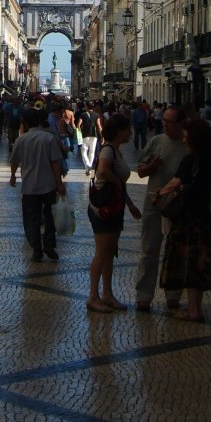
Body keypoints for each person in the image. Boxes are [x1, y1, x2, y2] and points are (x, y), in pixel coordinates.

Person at [156, 118, 211, 322]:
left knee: (188, 264)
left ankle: (192, 310)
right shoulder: (207, 160)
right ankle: (195, 308)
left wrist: (159, 194)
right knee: (198, 264)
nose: (183, 138)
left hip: (186, 218)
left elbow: (176, 182)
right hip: (203, 217)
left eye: (186, 135)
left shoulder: (190, 160)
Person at [134, 106, 188, 312]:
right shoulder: (156, 142)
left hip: (179, 206)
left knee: (176, 251)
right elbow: (140, 171)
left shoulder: (188, 146)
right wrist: (152, 166)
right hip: (154, 203)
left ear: (181, 123)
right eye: (163, 120)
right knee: (149, 250)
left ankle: (173, 294)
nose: (164, 124)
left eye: (169, 121)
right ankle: (143, 295)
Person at [86, 114, 141, 313]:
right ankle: (93, 296)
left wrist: (131, 204)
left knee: (110, 252)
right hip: (104, 209)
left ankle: (107, 294)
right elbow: (103, 171)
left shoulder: (116, 150)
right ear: (119, 131)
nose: (131, 133)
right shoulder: (108, 150)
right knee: (102, 252)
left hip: (114, 206)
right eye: (128, 129)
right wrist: (118, 184)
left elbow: (118, 182)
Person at [9, 106, 66, 261]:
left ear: (25, 123)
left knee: (31, 218)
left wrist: (13, 175)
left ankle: (36, 248)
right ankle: (49, 245)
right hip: (48, 185)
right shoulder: (48, 139)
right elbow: (56, 162)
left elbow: (14, 160)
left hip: (29, 186)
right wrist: (59, 183)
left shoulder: (21, 140)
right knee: (50, 216)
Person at [77, 101, 100, 176]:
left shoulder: (83, 114)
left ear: (86, 106)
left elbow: (78, 125)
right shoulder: (96, 115)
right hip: (94, 136)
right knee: (92, 152)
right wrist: (102, 136)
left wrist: (79, 133)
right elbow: (99, 126)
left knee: (83, 151)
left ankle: (88, 166)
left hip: (85, 135)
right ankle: (88, 169)